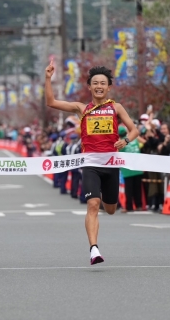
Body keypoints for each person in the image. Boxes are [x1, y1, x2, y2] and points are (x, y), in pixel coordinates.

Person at [45, 62, 138, 265]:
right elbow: (51, 102)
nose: (99, 86)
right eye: (95, 83)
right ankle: (94, 249)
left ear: (108, 87)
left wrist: (126, 141)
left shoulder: (116, 107)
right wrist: (48, 78)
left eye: (102, 83)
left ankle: (104, 197)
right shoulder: (81, 108)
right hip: (90, 164)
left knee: (111, 209)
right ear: (89, 86)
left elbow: (134, 130)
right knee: (93, 204)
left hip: (111, 164)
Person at [118, 125, 143, 212]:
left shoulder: (120, 143)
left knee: (129, 189)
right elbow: (144, 142)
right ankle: (139, 205)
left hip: (127, 169)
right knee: (137, 188)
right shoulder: (134, 139)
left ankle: (129, 207)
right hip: (137, 167)